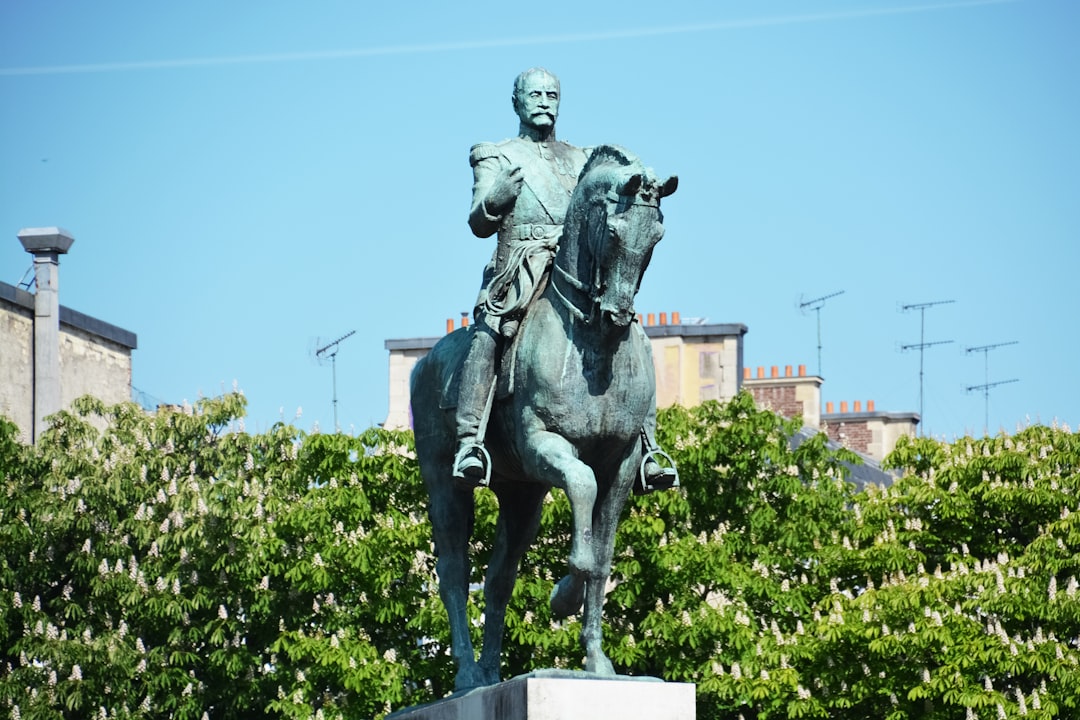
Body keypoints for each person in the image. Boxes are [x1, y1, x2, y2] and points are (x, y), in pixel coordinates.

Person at [453, 68, 676, 492]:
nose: (543, 101)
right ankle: (471, 443)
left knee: (633, 333)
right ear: (516, 101)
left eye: (551, 94)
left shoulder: (583, 158)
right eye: (534, 94)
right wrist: (494, 199)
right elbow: (478, 221)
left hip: (574, 265)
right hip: (519, 266)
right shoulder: (494, 154)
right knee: (489, 332)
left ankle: (648, 447)